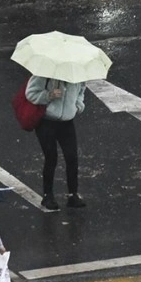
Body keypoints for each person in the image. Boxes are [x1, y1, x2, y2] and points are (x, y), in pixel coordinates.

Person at [26, 75, 87, 210]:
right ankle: (48, 195)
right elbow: (30, 93)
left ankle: (73, 195)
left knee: (72, 158)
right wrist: (48, 95)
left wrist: (78, 105)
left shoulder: (76, 74)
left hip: (67, 122)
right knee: (51, 158)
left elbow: (82, 89)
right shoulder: (45, 74)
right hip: (47, 122)